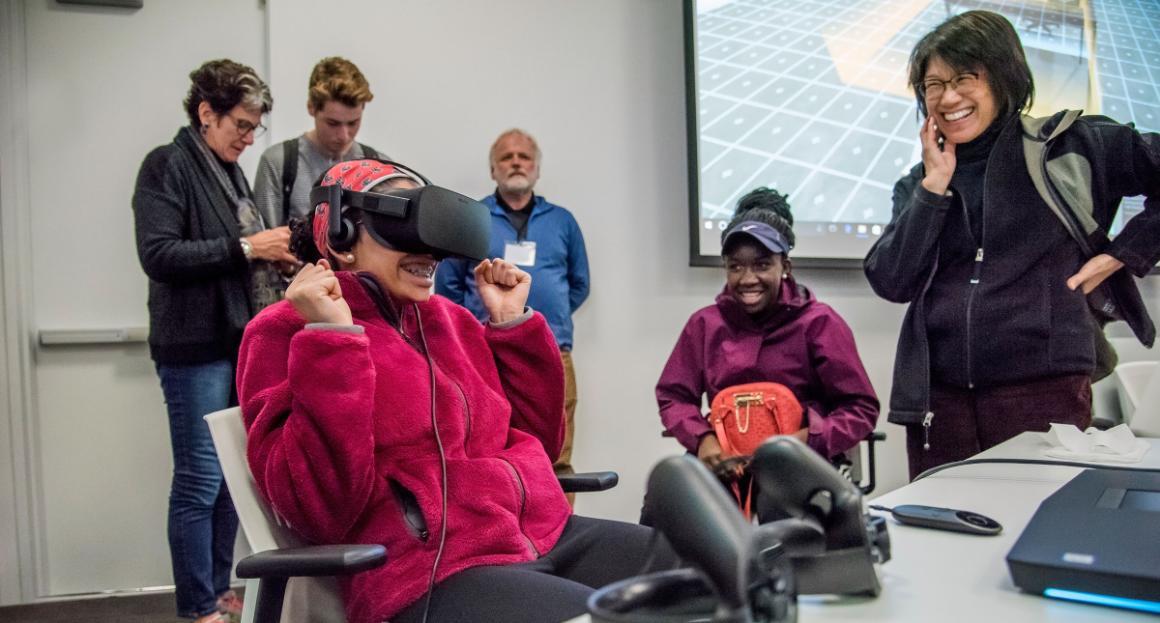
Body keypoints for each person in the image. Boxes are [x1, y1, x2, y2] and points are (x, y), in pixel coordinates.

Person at [237, 160, 673, 623]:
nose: (428, 254)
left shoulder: (453, 322)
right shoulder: (286, 331)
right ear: (343, 236)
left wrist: (512, 328)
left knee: (718, 575)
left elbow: (537, 445)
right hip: (430, 570)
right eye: (404, 229)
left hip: (544, 532)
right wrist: (332, 340)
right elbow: (319, 511)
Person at [864, 10, 1160, 480]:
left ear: (1003, 79)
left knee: (1040, 532)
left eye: (965, 77)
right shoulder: (919, 184)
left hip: (1043, 395)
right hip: (939, 405)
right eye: (933, 84)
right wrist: (934, 187)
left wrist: (1125, 254)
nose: (948, 97)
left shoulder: (1069, 146)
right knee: (945, 539)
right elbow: (892, 280)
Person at [133, 58, 288, 623]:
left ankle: (219, 590)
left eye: (254, 128)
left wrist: (271, 252)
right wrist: (251, 249)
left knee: (228, 478)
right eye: (241, 125)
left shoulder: (228, 171)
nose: (249, 139)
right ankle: (198, 605)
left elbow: (236, 247)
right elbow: (159, 255)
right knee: (200, 478)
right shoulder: (168, 165)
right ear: (206, 113)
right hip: (192, 348)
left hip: (232, 343)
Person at [656, 187, 879, 477]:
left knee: (779, 512)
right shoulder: (705, 325)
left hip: (799, 467)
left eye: (762, 265)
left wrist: (804, 442)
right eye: (736, 266)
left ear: (785, 266)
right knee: (663, 503)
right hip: (725, 467)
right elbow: (673, 396)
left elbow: (860, 408)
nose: (748, 279)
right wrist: (702, 439)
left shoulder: (820, 323)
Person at [435, 128, 590, 503]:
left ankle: (558, 535)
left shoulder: (563, 221)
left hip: (553, 351)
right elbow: (449, 285)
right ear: (493, 169)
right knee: (487, 451)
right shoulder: (472, 218)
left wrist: (537, 320)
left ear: (536, 169)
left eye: (524, 157)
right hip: (480, 356)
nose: (516, 163)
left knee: (557, 454)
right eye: (507, 157)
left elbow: (578, 284)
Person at [252, 56, 387, 230]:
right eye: (333, 123)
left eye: (353, 123)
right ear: (311, 107)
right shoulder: (278, 162)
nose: (344, 136)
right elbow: (267, 244)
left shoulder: (378, 166)